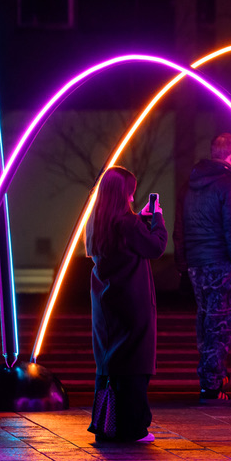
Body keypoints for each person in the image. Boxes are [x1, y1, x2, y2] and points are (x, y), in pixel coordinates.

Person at [86, 166, 167, 443]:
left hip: (106, 304)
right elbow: (155, 247)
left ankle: (106, 424)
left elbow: (129, 243)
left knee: (109, 363)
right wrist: (156, 220)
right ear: (123, 194)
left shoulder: (98, 222)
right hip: (134, 304)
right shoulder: (128, 224)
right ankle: (133, 428)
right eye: (130, 194)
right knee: (134, 364)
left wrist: (140, 221)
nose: (133, 200)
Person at [175, 133, 231, 403]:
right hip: (221, 263)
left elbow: (180, 227)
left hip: (196, 264)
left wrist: (183, 265)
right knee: (221, 326)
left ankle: (211, 375)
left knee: (206, 321)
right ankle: (211, 384)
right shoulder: (227, 183)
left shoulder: (190, 184)